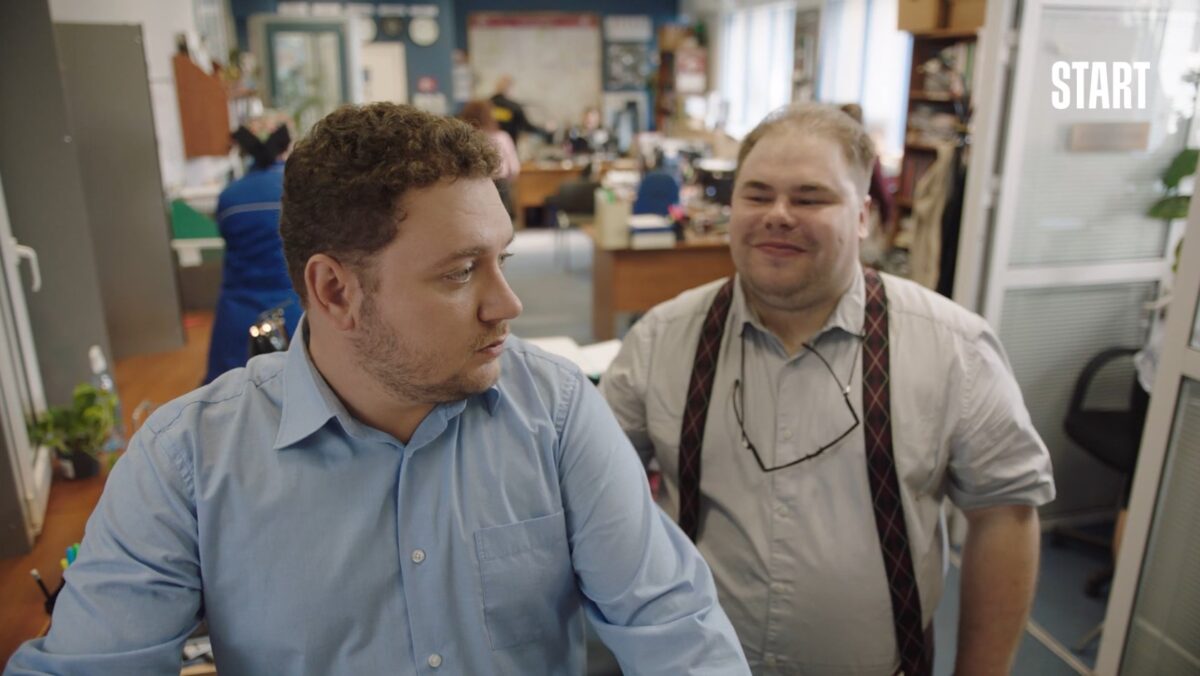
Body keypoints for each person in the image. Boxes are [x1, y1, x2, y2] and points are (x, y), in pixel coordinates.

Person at [5, 104, 750, 676]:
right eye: (461, 272)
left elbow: (674, 628)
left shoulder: (552, 411)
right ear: (335, 291)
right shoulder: (188, 462)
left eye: (505, 260)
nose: (508, 304)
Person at [600, 103, 1055, 675]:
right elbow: (588, 492)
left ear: (862, 215)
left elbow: (1004, 514)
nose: (778, 216)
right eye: (757, 195)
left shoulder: (954, 349)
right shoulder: (662, 337)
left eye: (810, 198)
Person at [203, 113, 302, 384]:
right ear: (286, 145)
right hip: (293, 309)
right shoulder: (297, 190)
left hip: (238, 312)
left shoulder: (230, 196)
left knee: (230, 390)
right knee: (297, 384)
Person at [840, 103, 896, 236]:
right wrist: (886, 220)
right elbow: (882, 192)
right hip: (858, 215)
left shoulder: (831, 151)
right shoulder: (866, 152)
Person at [459, 99, 520, 217]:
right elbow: (514, 168)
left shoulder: (464, 140)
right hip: (500, 184)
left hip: (470, 186)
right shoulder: (502, 137)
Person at [489, 74, 549, 144]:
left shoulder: (485, 105)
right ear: (510, 89)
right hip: (508, 145)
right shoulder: (514, 107)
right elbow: (527, 127)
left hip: (487, 145)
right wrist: (545, 130)